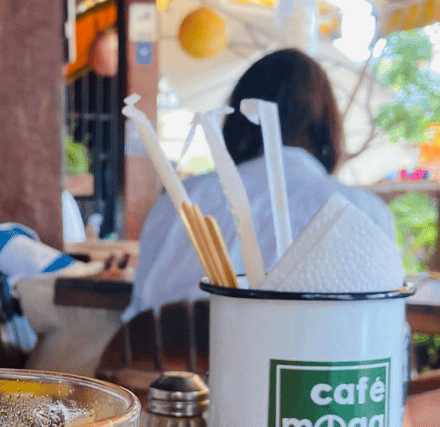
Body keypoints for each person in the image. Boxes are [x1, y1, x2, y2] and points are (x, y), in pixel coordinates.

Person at [131, 48, 400, 316]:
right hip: (310, 356)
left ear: (236, 120)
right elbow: (383, 326)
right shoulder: (366, 213)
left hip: (164, 357)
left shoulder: (184, 199)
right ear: (325, 126)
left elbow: (142, 308)